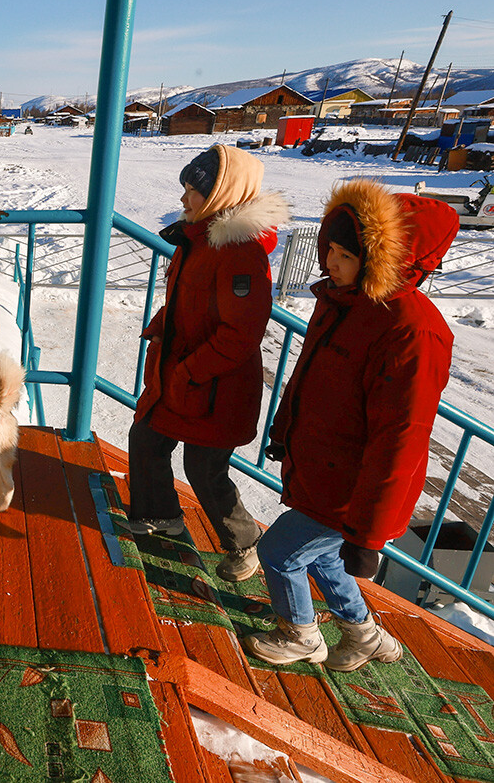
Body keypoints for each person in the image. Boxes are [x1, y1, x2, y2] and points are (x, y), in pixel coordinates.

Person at [245, 181, 457, 671]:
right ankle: (363, 633)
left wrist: (369, 533)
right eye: (329, 249)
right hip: (321, 466)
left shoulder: (412, 331)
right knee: (318, 557)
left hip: (353, 486)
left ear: (385, 262)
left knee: (279, 552)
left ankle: (300, 634)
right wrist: (284, 432)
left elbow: (400, 439)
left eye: (342, 254)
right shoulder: (347, 300)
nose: (328, 263)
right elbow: (311, 379)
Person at [126, 145, 289, 583]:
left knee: (204, 468)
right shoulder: (197, 238)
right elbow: (187, 300)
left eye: (193, 190)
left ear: (221, 195)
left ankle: (245, 543)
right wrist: (161, 327)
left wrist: (191, 371)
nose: (184, 200)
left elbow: (241, 333)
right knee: (146, 439)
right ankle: (161, 515)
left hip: (215, 386)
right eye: (185, 188)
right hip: (183, 374)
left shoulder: (240, 254)